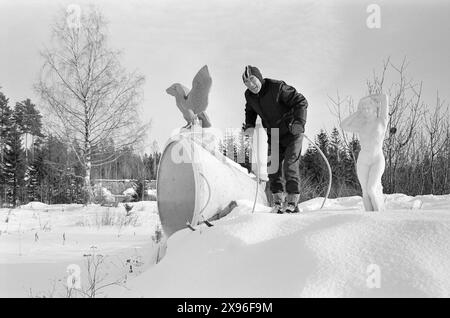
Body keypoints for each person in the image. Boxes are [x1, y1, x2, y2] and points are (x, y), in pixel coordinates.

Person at [241, 65, 308, 213]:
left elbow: (300, 101)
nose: (251, 85)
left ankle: (292, 201)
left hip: (292, 131)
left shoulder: (277, 87)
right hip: (274, 133)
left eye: (252, 79)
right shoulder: (249, 95)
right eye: (246, 82)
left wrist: (299, 122)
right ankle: (277, 202)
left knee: (290, 164)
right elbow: (250, 110)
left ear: (259, 77)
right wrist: (250, 125)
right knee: (273, 167)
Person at [341, 93, 389, 211]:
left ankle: (379, 216)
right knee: (365, 192)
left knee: (371, 189)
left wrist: (370, 98)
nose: (366, 110)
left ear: (374, 109)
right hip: (363, 160)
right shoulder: (361, 125)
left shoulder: (381, 121)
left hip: (377, 159)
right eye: (364, 109)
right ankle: (368, 219)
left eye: (368, 108)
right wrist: (357, 113)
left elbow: (384, 98)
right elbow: (343, 125)